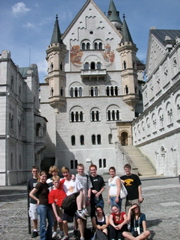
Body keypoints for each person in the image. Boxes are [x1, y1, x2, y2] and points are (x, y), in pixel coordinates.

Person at [61, 166, 88, 240]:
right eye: (64, 173)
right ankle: (66, 235)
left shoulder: (75, 180)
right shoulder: (62, 182)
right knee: (64, 221)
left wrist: (83, 204)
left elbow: (81, 191)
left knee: (79, 220)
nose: (65, 174)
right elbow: (54, 181)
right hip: (68, 203)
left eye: (66, 172)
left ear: (69, 172)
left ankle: (82, 236)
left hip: (76, 202)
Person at [29, 171, 54, 240]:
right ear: (40, 177)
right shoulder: (39, 184)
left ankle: (49, 237)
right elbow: (31, 194)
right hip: (42, 205)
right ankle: (43, 238)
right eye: (42, 176)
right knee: (43, 223)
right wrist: (37, 200)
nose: (44, 178)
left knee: (51, 222)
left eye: (45, 176)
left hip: (48, 205)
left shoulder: (46, 184)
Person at [74, 164, 92, 238]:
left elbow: (89, 188)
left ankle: (84, 230)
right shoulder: (74, 177)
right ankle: (77, 231)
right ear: (77, 169)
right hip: (77, 199)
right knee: (76, 216)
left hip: (85, 199)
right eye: (79, 169)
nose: (80, 170)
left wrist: (88, 198)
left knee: (85, 215)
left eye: (82, 169)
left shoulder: (86, 177)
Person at [47, 166, 63, 239]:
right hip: (52, 200)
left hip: (59, 201)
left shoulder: (60, 179)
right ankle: (55, 230)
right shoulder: (48, 181)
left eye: (55, 171)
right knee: (54, 218)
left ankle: (61, 230)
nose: (54, 173)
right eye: (53, 172)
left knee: (60, 217)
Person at [27, 166, 39, 238]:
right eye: (34, 171)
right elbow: (29, 191)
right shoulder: (30, 181)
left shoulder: (40, 179)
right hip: (33, 201)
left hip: (40, 201)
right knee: (34, 217)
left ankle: (43, 229)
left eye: (36, 171)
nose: (35, 172)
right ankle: (35, 230)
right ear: (32, 172)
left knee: (42, 217)